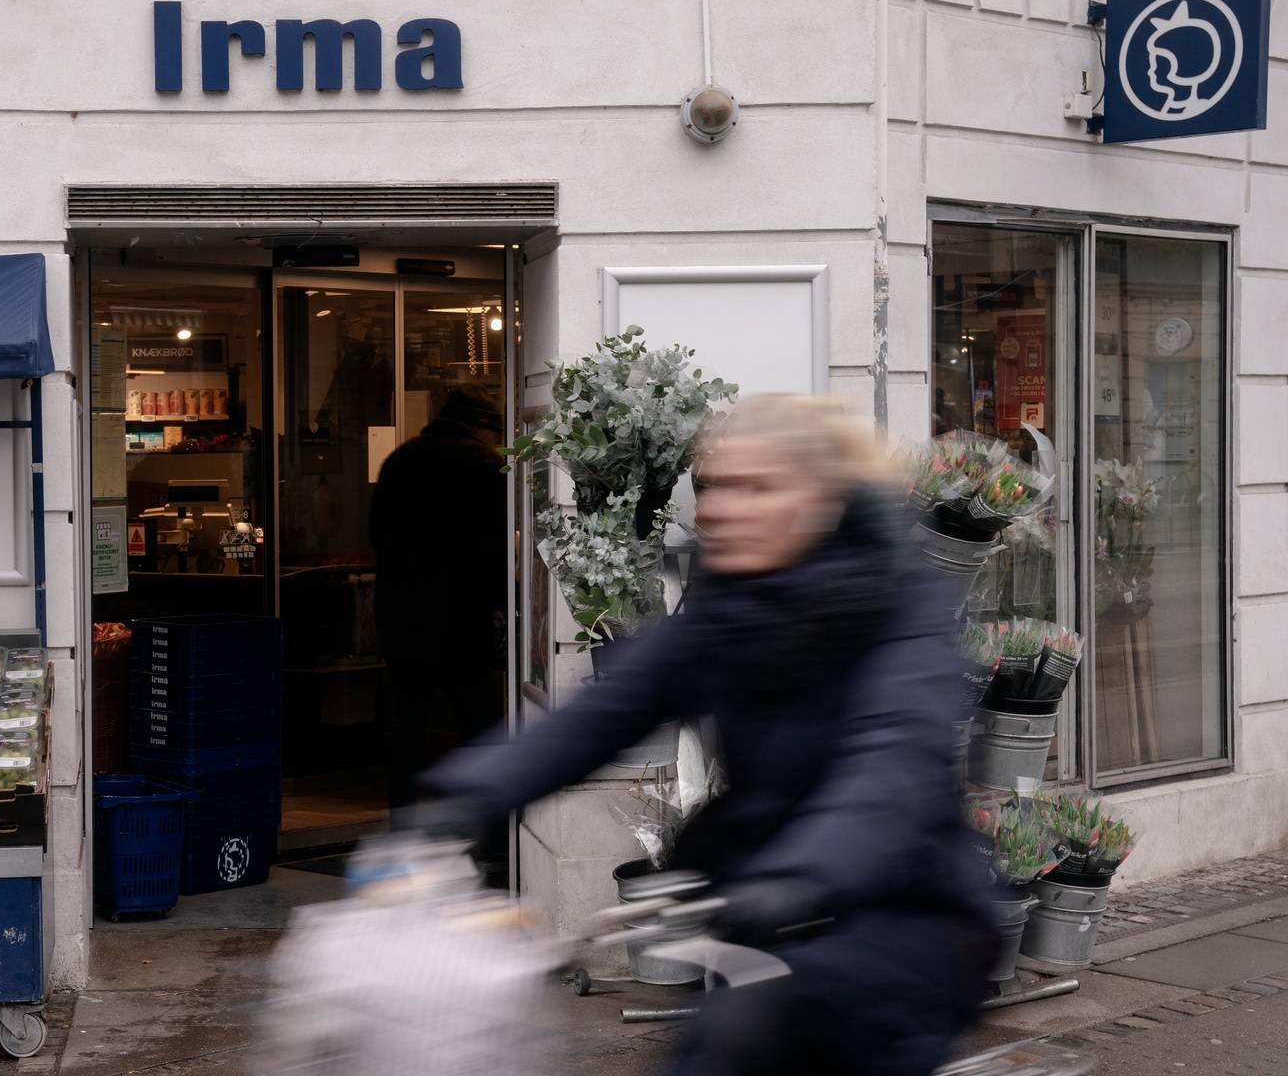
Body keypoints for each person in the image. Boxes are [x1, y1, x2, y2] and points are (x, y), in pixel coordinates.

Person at [421, 395, 997, 1076]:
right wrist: (461, 799)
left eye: (755, 487)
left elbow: (890, 768)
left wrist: (801, 876)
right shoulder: (728, 609)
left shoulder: (901, 610)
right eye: (716, 485)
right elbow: (605, 713)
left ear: (820, 503)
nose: (719, 508)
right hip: (771, 914)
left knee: (743, 1036)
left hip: (905, 917)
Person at [370, 388, 507, 828]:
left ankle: (402, 822)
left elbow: (376, 535)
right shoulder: (482, 465)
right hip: (461, 619)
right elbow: (495, 547)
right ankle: (491, 830)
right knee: (480, 724)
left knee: (406, 727)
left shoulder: (400, 461)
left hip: (402, 618)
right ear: (481, 426)